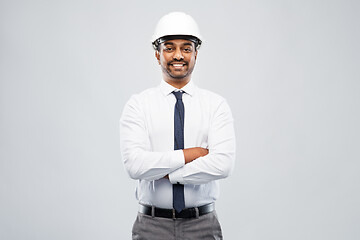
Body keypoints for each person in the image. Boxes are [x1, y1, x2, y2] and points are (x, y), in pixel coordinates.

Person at [119, 12, 236, 240]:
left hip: (203, 226)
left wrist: (166, 173)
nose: (178, 55)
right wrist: (191, 154)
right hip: (151, 226)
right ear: (157, 54)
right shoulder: (138, 105)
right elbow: (134, 165)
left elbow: (223, 165)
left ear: (195, 54)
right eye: (169, 47)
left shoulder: (216, 105)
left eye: (186, 48)